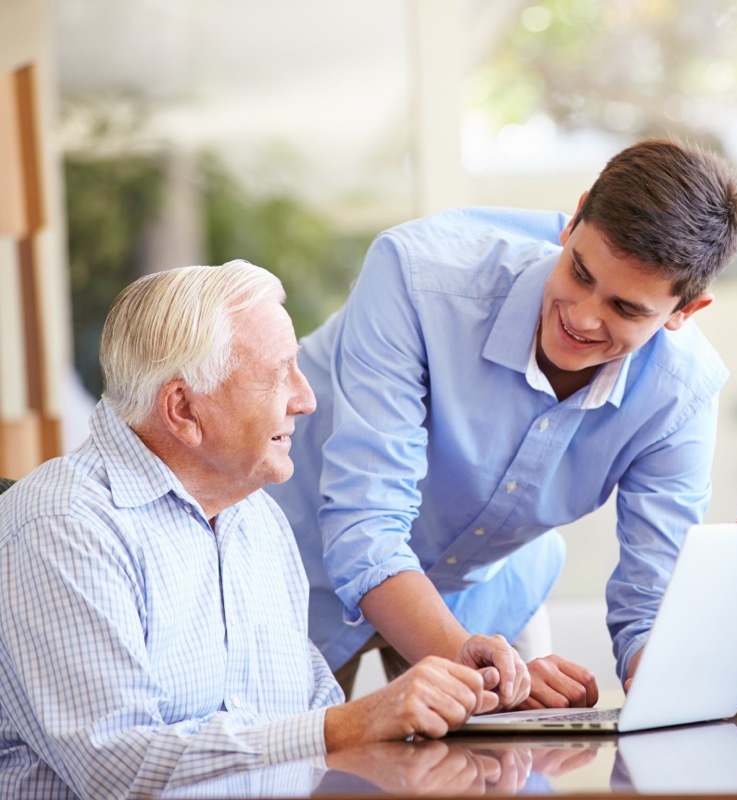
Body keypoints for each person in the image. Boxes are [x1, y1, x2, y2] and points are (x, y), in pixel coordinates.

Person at [0, 261, 528, 799]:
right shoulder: (62, 526)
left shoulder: (257, 519)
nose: (306, 398)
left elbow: (310, 712)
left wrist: (458, 710)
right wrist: (350, 725)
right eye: (278, 375)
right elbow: (117, 766)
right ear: (183, 409)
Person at [266, 137, 737, 706]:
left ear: (685, 312)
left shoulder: (681, 396)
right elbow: (365, 528)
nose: (583, 316)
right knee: (297, 774)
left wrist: (667, 694)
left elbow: (652, 605)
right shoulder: (419, 278)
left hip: (485, 594)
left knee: (514, 773)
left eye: (626, 309)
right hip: (300, 573)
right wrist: (480, 668)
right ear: (574, 220)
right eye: (580, 272)